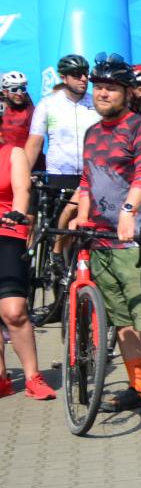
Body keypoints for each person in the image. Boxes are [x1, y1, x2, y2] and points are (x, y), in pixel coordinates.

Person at [70, 59, 141, 416]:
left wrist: (129, 210)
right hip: (100, 242)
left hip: (136, 242)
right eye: (98, 86)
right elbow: (87, 180)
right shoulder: (93, 133)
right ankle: (138, 386)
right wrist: (81, 216)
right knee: (122, 321)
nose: (102, 93)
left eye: (110, 88)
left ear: (129, 92)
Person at [25, 54, 101, 271]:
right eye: (77, 75)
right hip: (60, 175)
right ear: (63, 77)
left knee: (87, 230)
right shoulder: (48, 104)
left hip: (90, 175)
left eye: (85, 73)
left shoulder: (95, 104)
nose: (83, 79)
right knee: (60, 228)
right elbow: (35, 142)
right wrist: (23, 176)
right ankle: (56, 262)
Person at [0, 135, 54, 399]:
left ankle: (33, 376)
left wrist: (17, 214)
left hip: (6, 232)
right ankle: (2, 378)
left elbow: (22, 190)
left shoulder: (13, 153)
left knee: (14, 311)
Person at [0, 71, 33, 147]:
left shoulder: (31, 111)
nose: (19, 93)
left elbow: (37, 139)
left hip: (24, 153)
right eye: (14, 90)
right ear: (5, 92)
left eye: (22, 89)